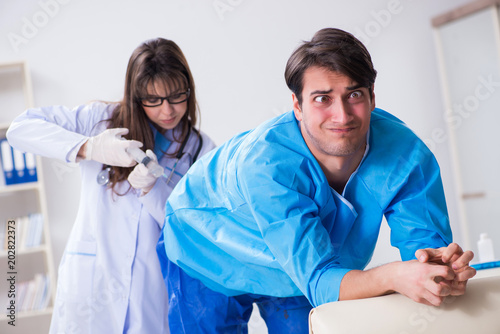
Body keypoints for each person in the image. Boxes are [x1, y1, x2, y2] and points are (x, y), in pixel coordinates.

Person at [156, 28, 476, 333]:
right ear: (297, 105)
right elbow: (322, 281)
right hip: (203, 251)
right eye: (323, 98)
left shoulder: (406, 155)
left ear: (372, 97)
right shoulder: (266, 164)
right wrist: (392, 275)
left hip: (301, 269)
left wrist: (440, 271)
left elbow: (425, 251)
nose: (342, 115)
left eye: (354, 94)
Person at [7, 38, 215, 334]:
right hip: (91, 286)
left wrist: (152, 190)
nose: (167, 110)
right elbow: (20, 129)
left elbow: (194, 228)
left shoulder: (201, 149)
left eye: (176, 97)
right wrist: (89, 147)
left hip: (150, 291)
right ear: (136, 95)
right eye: (153, 100)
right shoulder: (99, 122)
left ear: (189, 90)